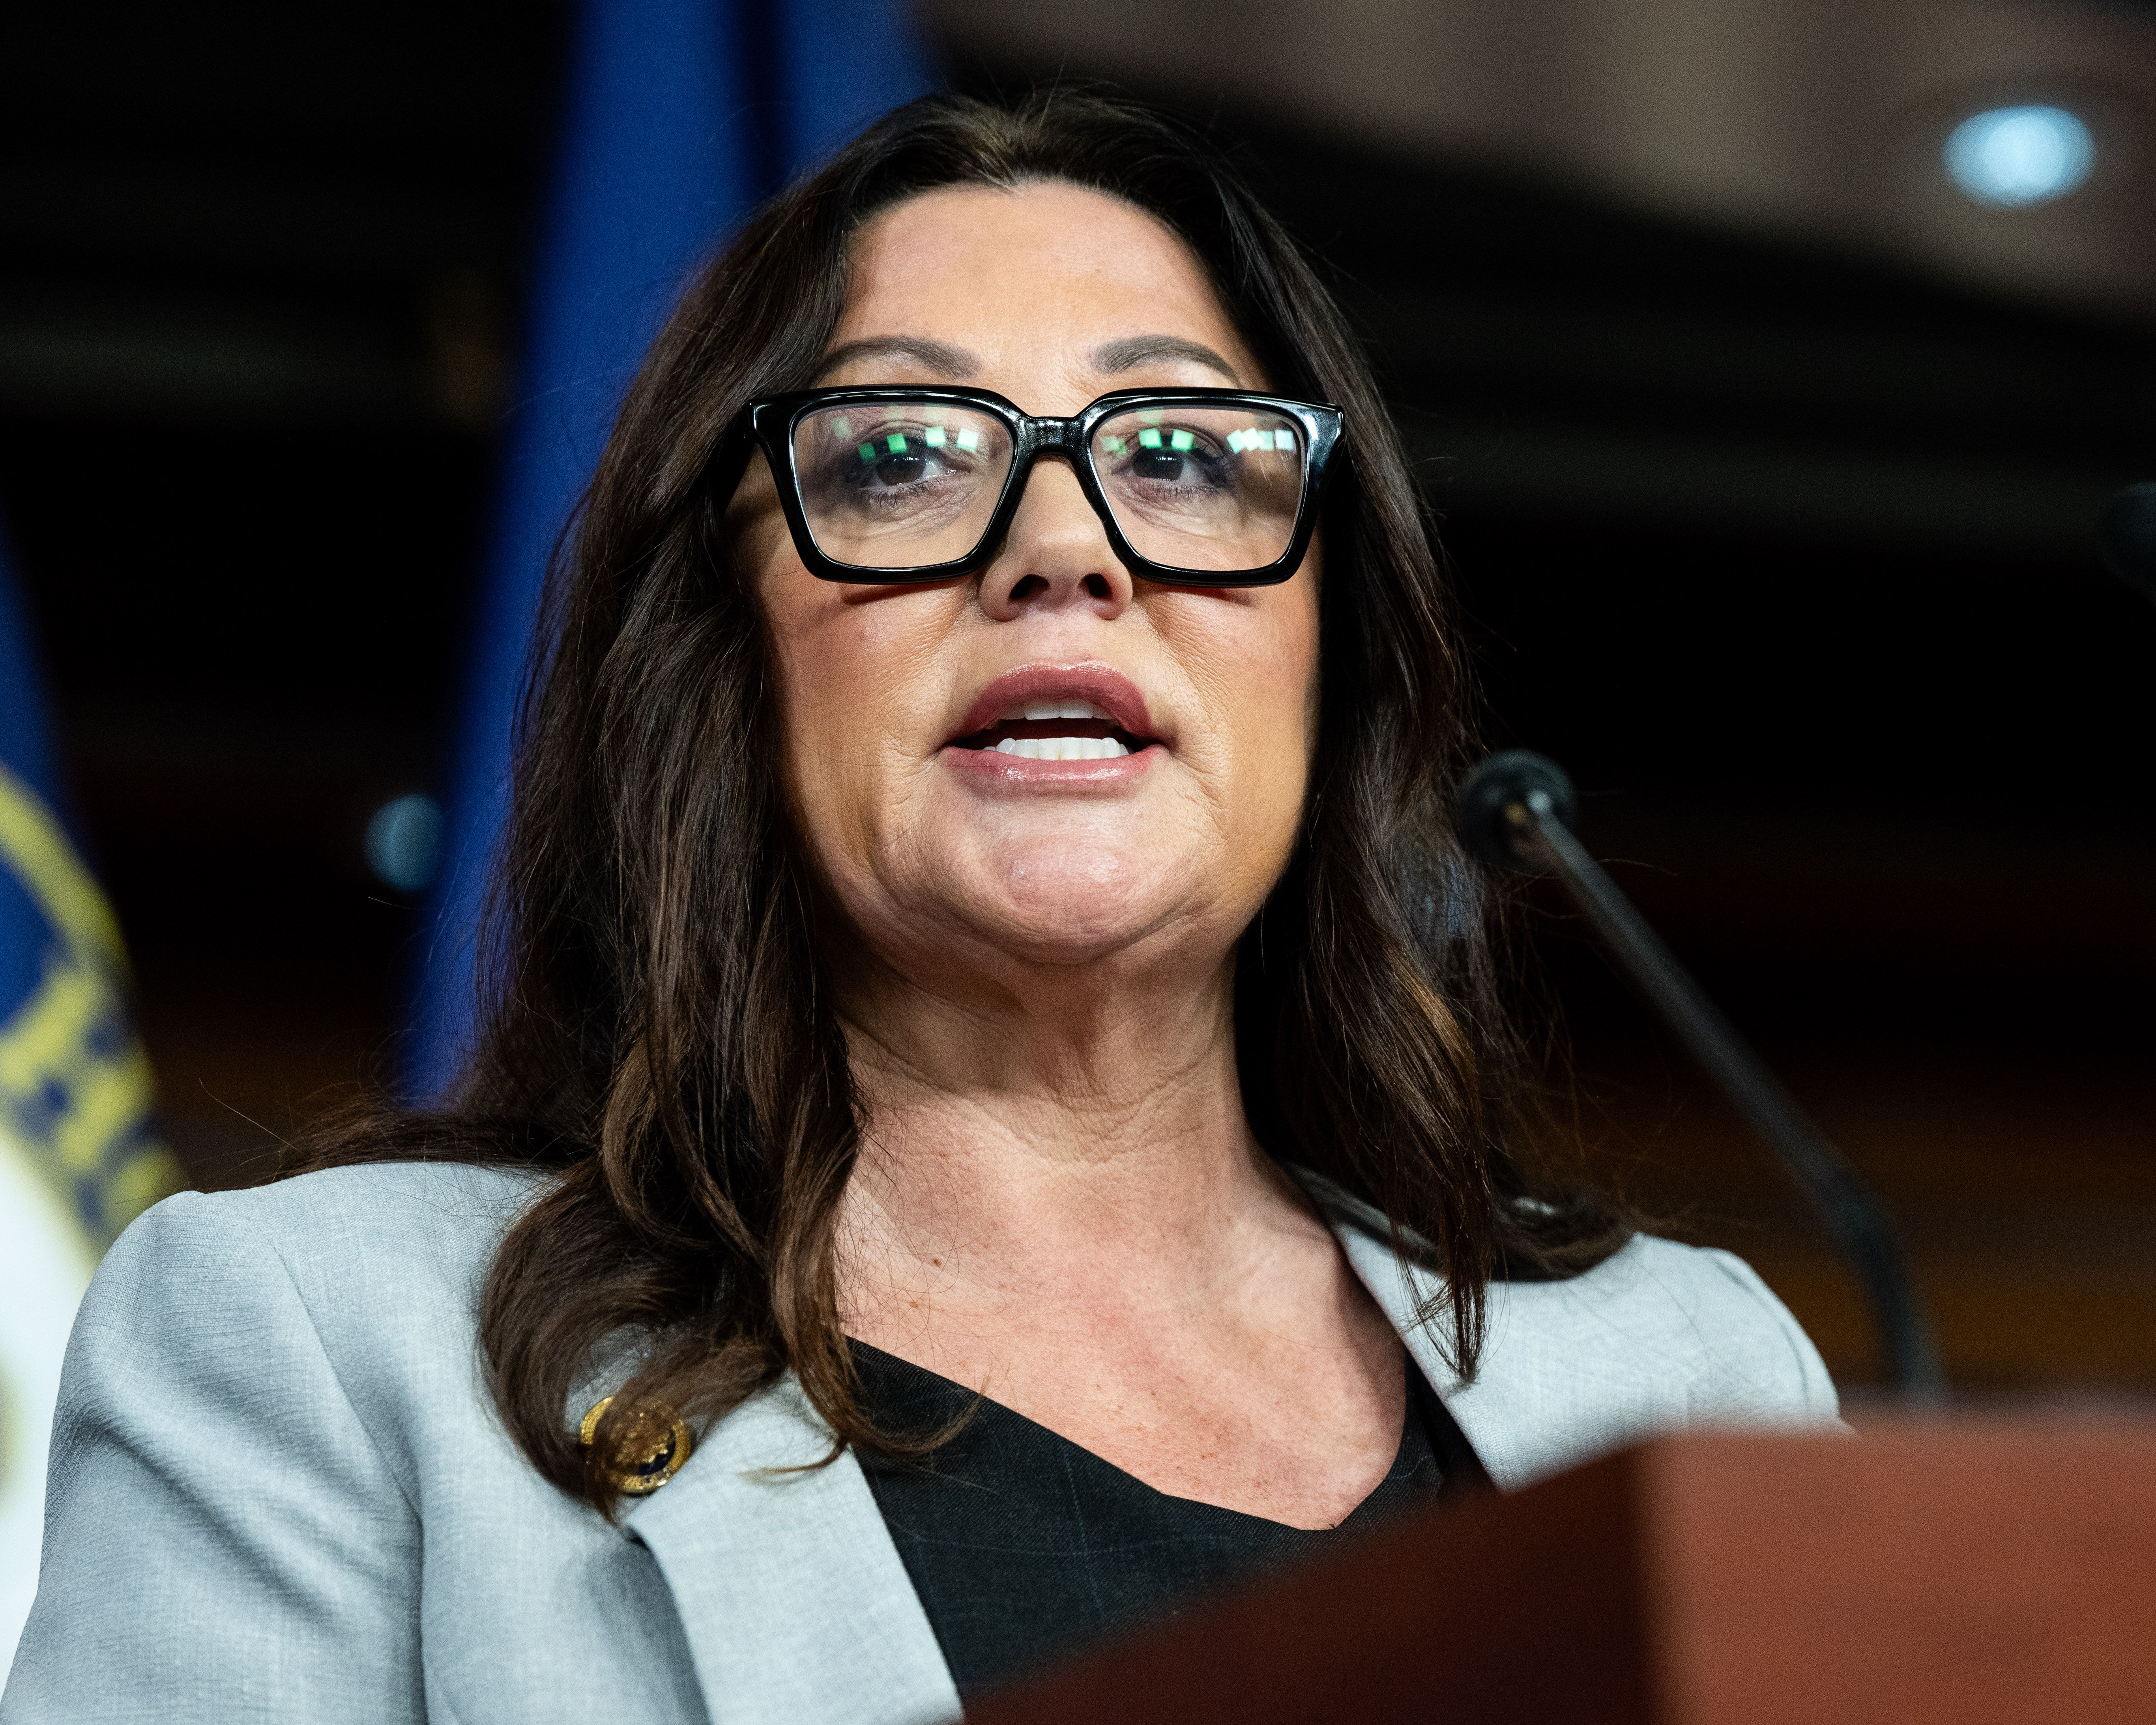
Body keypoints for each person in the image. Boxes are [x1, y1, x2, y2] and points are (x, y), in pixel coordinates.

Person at [2, 91, 1835, 1725]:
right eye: (898, 459)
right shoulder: (328, 1346)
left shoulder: (1695, 1379)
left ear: (1329, 640)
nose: (1065, 546)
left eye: (1182, 453)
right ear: (720, 651)